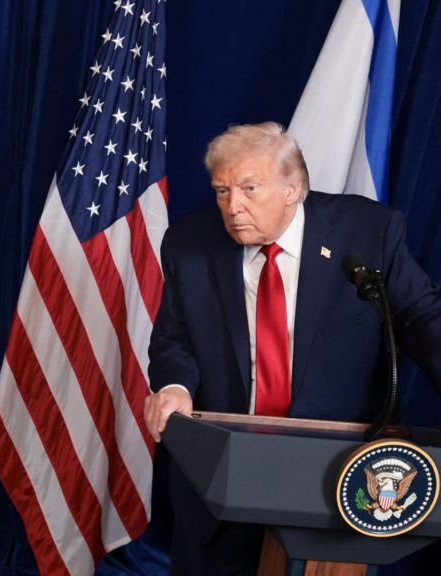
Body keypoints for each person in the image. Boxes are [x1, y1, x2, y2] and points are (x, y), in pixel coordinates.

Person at [143, 122, 441, 575]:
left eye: (249, 188)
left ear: (293, 188)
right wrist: (174, 387)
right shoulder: (190, 243)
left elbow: (423, 318)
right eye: (222, 191)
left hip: (335, 474)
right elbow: (174, 338)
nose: (233, 207)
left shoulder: (367, 233)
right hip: (225, 469)